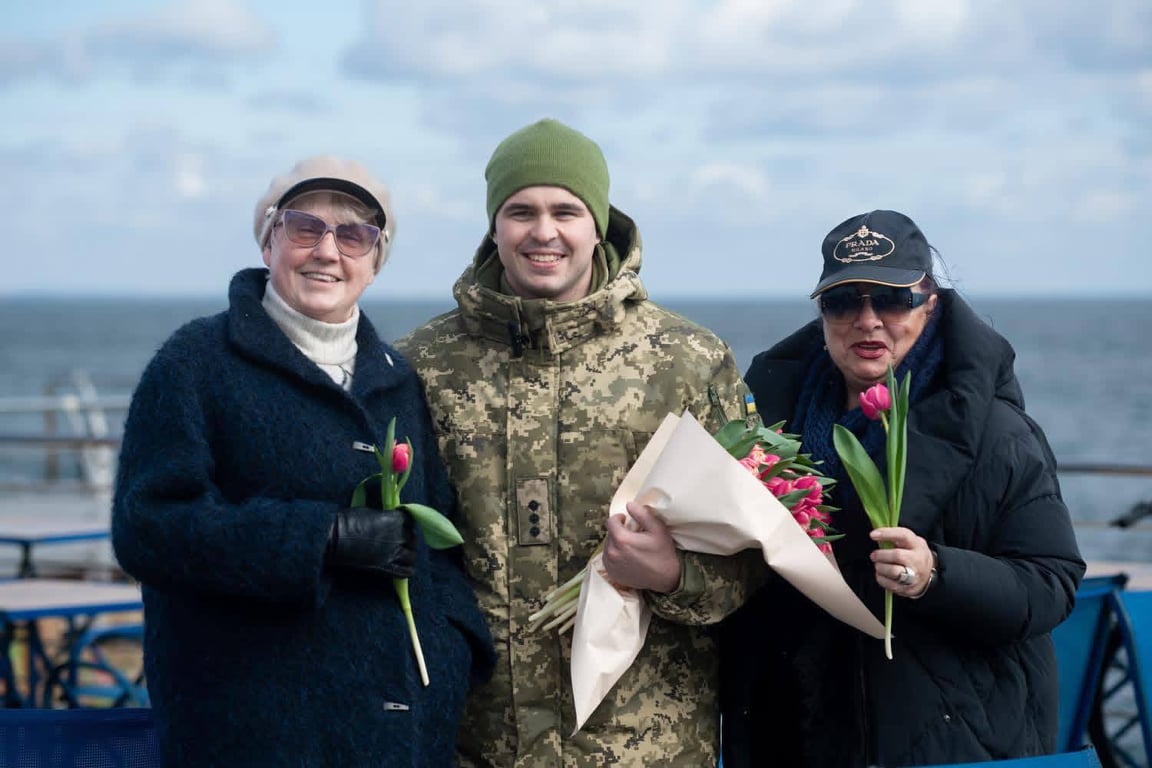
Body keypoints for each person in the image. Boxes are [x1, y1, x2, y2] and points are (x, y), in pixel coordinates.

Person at [396, 118, 765, 766]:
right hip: (472, 745)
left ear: (598, 222)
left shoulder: (688, 360)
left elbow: (758, 555)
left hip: (643, 748)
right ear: (494, 226)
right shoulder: (422, 364)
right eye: (521, 211)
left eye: (566, 210)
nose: (544, 231)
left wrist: (676, 575)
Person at [111, 156, 495, 767]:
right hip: (256, 737)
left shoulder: (397, 379)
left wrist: (455, 652)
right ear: (268, 241)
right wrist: (322, 536)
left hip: (403, 741)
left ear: (374, 261)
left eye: (353, 234)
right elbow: (148, 528)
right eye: (303, 227)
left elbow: (439, 543)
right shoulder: (194, 364)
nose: (327, 251)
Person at [719, 209, 1086, 767]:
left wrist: (937, 573)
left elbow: (1051, 583)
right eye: (843, 302)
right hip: (799, 733)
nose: (868, 321)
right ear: (821, 311)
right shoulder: (767, 429)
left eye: (892, 299)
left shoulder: (999, 434)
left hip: (949, 741)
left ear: (930, 302)